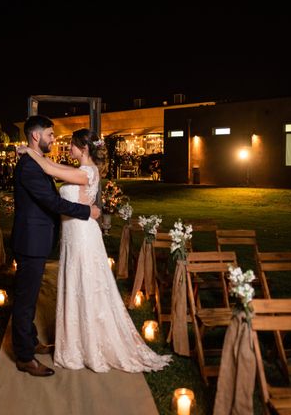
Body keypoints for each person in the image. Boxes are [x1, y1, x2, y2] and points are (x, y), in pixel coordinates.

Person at [20, 128, 172, 373]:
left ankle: (87, 345)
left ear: (84, 148)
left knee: (85, 284)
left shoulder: (88, 173)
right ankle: (75, 342)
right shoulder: (80, 170)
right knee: (76, 282)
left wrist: (28, 151)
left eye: (71, 145)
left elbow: (49, 169)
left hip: (82, 235)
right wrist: (36, 155)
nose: (68, 148)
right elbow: (51, 163)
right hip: (73, 234)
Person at [11, 115, 101, 377]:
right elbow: (53, 202)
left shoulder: (35, 162)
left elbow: (51, 170)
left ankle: (29, 340)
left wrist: (28, 151)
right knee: (25, 300)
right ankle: (25, 357)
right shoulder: (29, 167)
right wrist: (87, 212)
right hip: (30, 241)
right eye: (50, 135)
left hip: (38, 239)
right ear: (36, 136)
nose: (54, 139)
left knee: (29, 296)